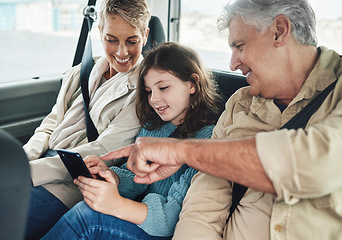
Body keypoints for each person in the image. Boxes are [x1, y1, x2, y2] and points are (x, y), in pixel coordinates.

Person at [100, 0, 342, 239]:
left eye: (239, 46)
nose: (234, 63)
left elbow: (322, 160)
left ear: (279, 31)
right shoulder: (240, 104)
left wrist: (182, 151)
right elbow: (203, 207)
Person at [42, 42, 222, 239]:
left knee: (87, 218)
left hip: (165, 230)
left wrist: (116, 205)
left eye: (163, 88)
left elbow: (173, 218)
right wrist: (111, 176)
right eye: (149, 91)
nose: (154, 99)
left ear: (192, 84)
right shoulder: (155, 127)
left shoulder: (207, 140)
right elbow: (136, 177)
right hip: (142, 216)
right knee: (85, 208)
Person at [24, 0, 151, 238]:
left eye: (132, 41)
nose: (122, 52)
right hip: (43, 163)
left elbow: (102, 151)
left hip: (72, 184)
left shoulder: (145, 92)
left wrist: (28, 173)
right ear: (100, 33)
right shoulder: (79, 74)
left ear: (145, 35)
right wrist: (22, 161)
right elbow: (51, 124)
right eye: (111, 39)